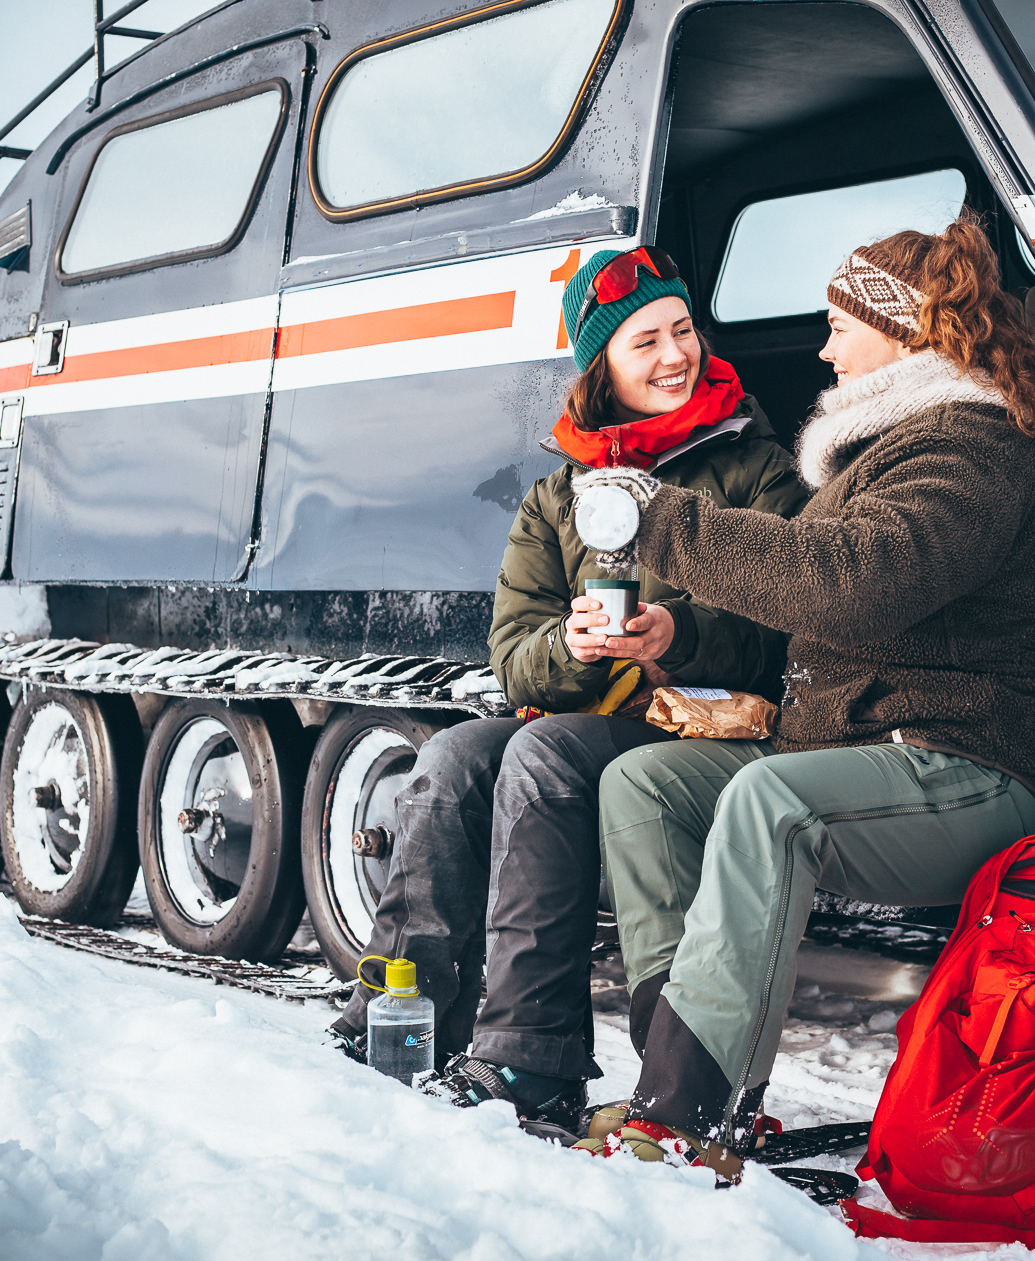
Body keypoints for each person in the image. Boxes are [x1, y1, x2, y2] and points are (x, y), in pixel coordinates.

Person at [573, 216, 1035, 1174]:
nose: (824, 343)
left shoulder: (976, 439)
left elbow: (855, 578)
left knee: (770, 800)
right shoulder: (894, 441)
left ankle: (686, 1117)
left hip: (959, 765)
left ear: (905, 331)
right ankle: (679, 1081)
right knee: (643, 786)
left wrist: (662, 523)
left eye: (841, 321)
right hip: (864, 752)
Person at [329, 246, 807, 1132]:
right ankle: (400, 1015)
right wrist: (571, 645)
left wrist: (681, 632)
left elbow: (786, 623)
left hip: (698, 729)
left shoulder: (756, 466)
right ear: (602, 369)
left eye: (683, 331)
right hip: (587, 711)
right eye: (645, 343)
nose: (676, 357)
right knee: (454, 755)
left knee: (545, 753)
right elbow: (513, 651)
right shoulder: (560, 493)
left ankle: (528, 1058)